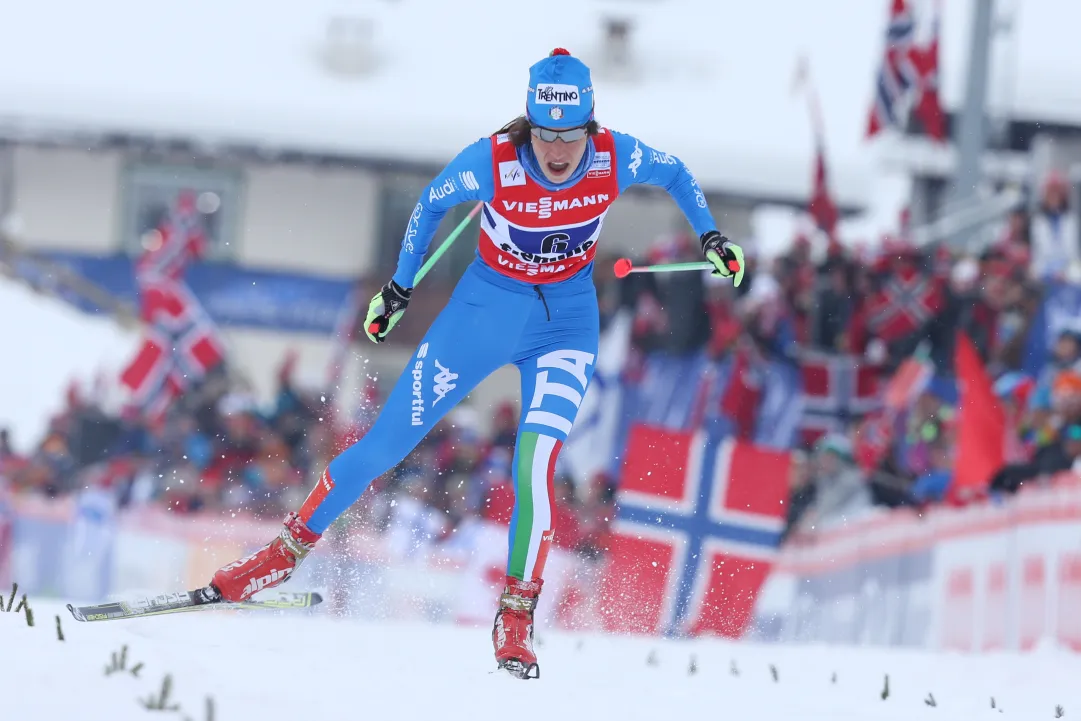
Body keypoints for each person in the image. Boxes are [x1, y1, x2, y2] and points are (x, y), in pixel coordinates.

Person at [207, 48, 746, 679]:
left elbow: (676, 172)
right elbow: (429, 205)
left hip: (565, 324)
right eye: (545, 134)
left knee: (534, 462)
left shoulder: (615, 155)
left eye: (570, 135)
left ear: (591, 126)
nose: (557, 150)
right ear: (529, 124)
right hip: (482, 313)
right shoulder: (493, 160)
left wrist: (711, 236)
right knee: (383, 446)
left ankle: (516, 616)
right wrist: (400, 290)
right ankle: (280, 554)